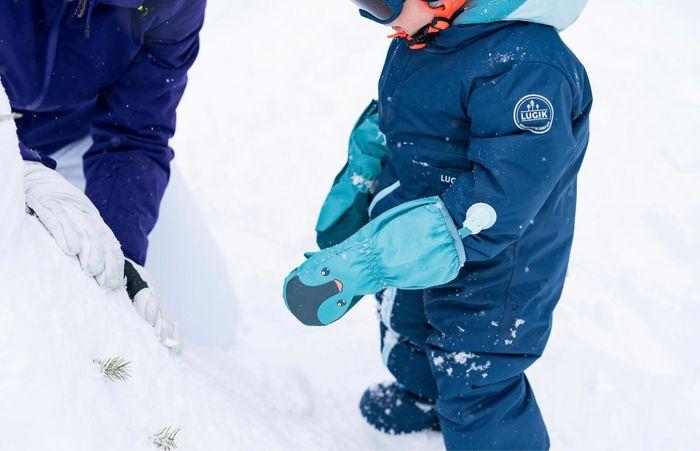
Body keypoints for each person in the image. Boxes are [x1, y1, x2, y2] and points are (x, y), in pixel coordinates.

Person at [283, 0, 592, 449]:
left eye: (386, 2)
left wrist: (374, 258)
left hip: (498, 263)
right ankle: (425, 399)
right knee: (407, 318)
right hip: (417, 226)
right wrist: (370, 167)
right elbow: (416, 120)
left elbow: (504, 193)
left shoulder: (527, 65)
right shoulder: (431, 35)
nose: (378, 16)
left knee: (476, 375)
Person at [1, 0, 237, 348]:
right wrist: (17, 164)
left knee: (207, 323)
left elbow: (135, 134)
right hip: (5, 136)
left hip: (76, 138)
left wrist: (119, 246)